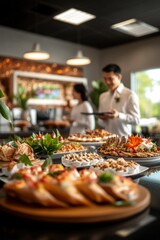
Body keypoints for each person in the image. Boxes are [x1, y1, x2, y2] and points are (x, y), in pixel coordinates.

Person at [98, 63, 140, 137]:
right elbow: (101, 123)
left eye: (110, 79)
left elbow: (136, 120)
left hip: (124, 140)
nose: (107, 82)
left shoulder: (130, 95)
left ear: (119, 77)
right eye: (105, 79)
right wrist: (102, 118)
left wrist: (119, 115)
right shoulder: (102, 96)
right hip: (106, 140)